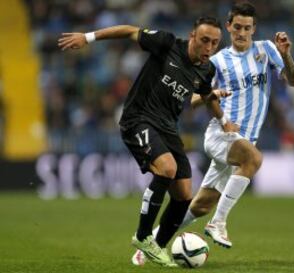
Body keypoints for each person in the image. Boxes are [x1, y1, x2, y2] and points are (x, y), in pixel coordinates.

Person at [131, 2, 294, 265]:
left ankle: (150, 243)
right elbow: (195, 99)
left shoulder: (267, 50)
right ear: (229, 27)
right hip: (222, 134)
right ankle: (218, 223)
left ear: (254, 29)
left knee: (199, 205)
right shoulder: (217, 60)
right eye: (237, 27)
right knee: (253, 159)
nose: (242, 32)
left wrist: (286, 55)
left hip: (243, 141)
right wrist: (214, 97)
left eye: (247, 28)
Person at [58, 17, 232, 267]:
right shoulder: (167, 43)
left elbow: (203, 95)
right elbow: (129, 31)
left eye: (214, 43)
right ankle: (142, 236)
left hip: (168, 128)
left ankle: (156, 247)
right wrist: (88, 37)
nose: (209, 47)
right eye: (204, 40)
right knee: (167, 168)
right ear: (193, 35)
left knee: (184, 195)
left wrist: (224, 119)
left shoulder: (207, 70)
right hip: (138, 119)